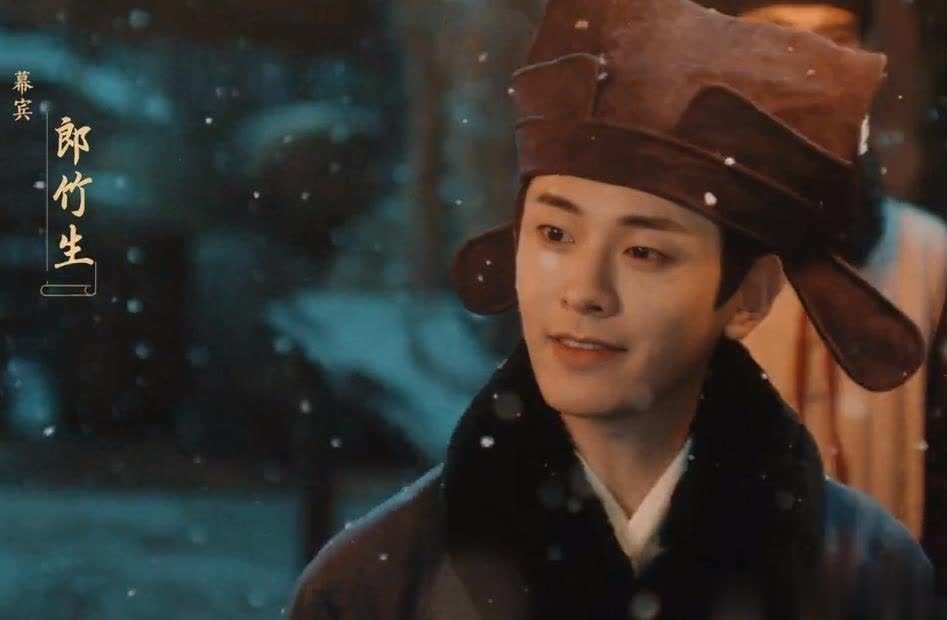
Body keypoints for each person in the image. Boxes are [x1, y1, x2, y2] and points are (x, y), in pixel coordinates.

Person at [286, 0, 935, 617]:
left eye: (644, 251)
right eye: (554, 234)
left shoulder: (867, 575)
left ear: (748, 296)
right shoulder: (373, 586)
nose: (584, 290)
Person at [697, 0, 947, 583]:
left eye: (836, 38)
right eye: (775, 36)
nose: (808, 64)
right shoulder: (669, 249)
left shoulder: (931, 259)